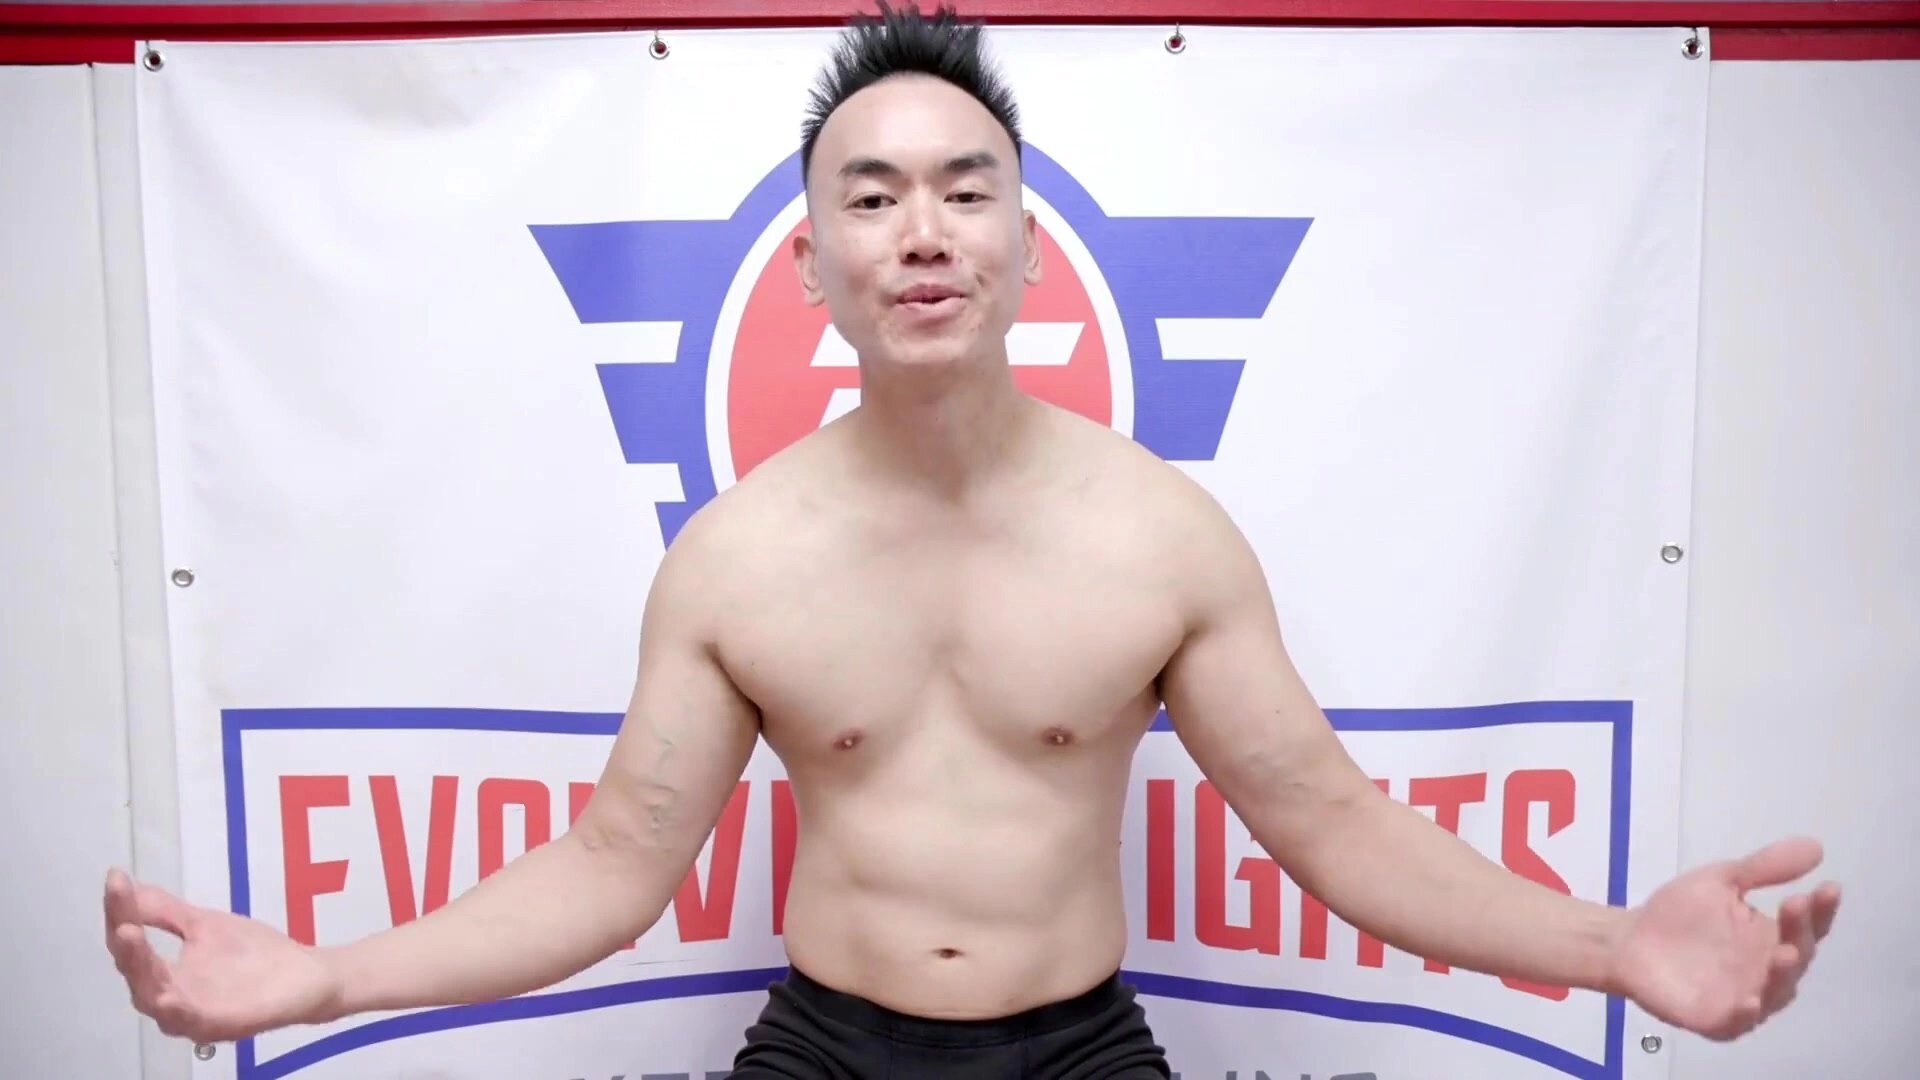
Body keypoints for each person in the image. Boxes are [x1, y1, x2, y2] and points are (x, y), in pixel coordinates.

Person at [104, 3, 1841, 1077]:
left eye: (964, 188)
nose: (921, 230)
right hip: (823, 1044)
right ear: (811, 265)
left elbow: (1332, 826)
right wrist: (327, 979)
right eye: (870, 197)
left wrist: (1610, 945)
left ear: (1025, 240)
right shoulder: (735, 560)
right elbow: (611, 869)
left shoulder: (1161, 535)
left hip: (1081, 1047)